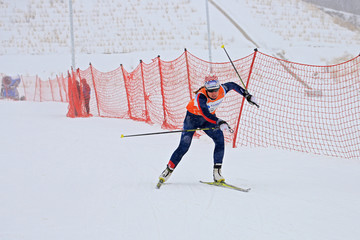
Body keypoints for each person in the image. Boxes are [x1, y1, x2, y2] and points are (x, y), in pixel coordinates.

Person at [158, 75, 258, 184]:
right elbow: (205, 113)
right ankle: (168, 170)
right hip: (192, 119)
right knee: (184, 146)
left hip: (208, 120)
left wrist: (247, 95)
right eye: (210, 91)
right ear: (206, 89)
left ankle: (217, 173)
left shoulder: (222, 90)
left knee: (220, 140)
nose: (214, 93)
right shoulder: (201, 96)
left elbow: (233, 85)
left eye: (215, 90)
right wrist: (219, 121)